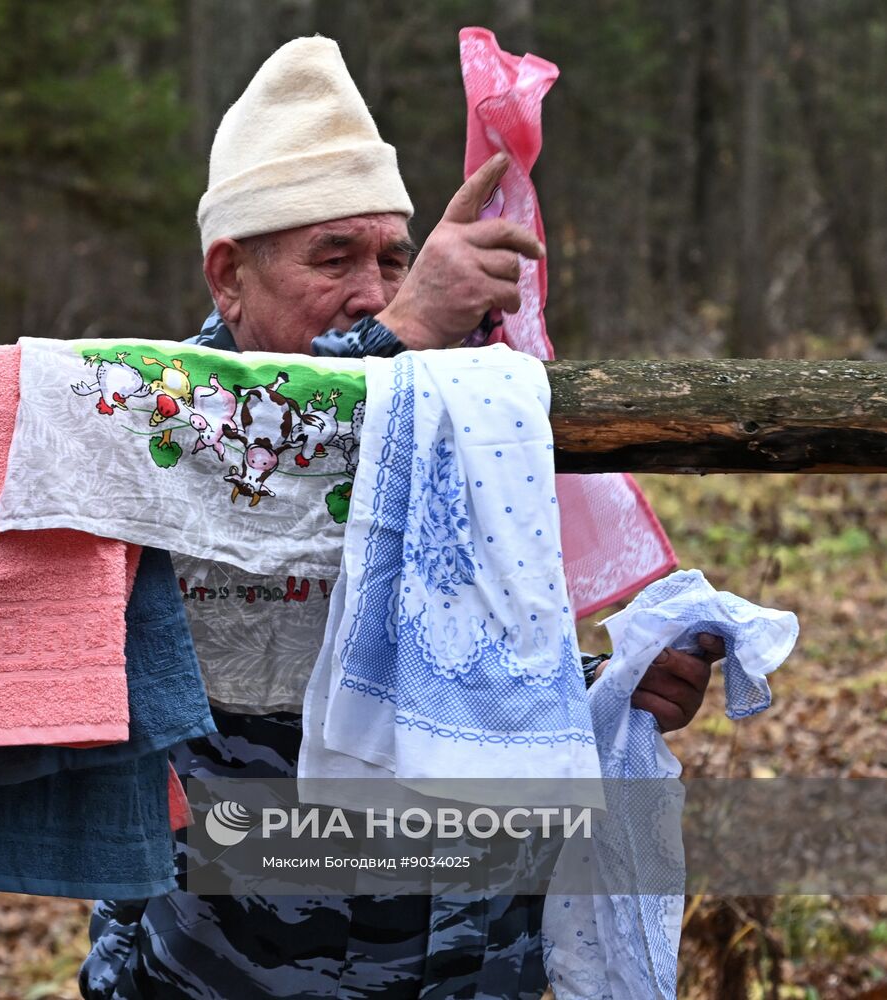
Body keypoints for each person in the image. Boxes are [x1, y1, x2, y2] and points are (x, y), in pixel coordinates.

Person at [80, 36, 725, 999]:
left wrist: (605, 691)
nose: (374, 291)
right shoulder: (162, 413)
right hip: (238, 965)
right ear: (229, 275)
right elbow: (270, 511)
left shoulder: (462, 407)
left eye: (393, 259)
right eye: (332, 259)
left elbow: (439, 652)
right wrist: (403, 332)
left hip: (465, 960)